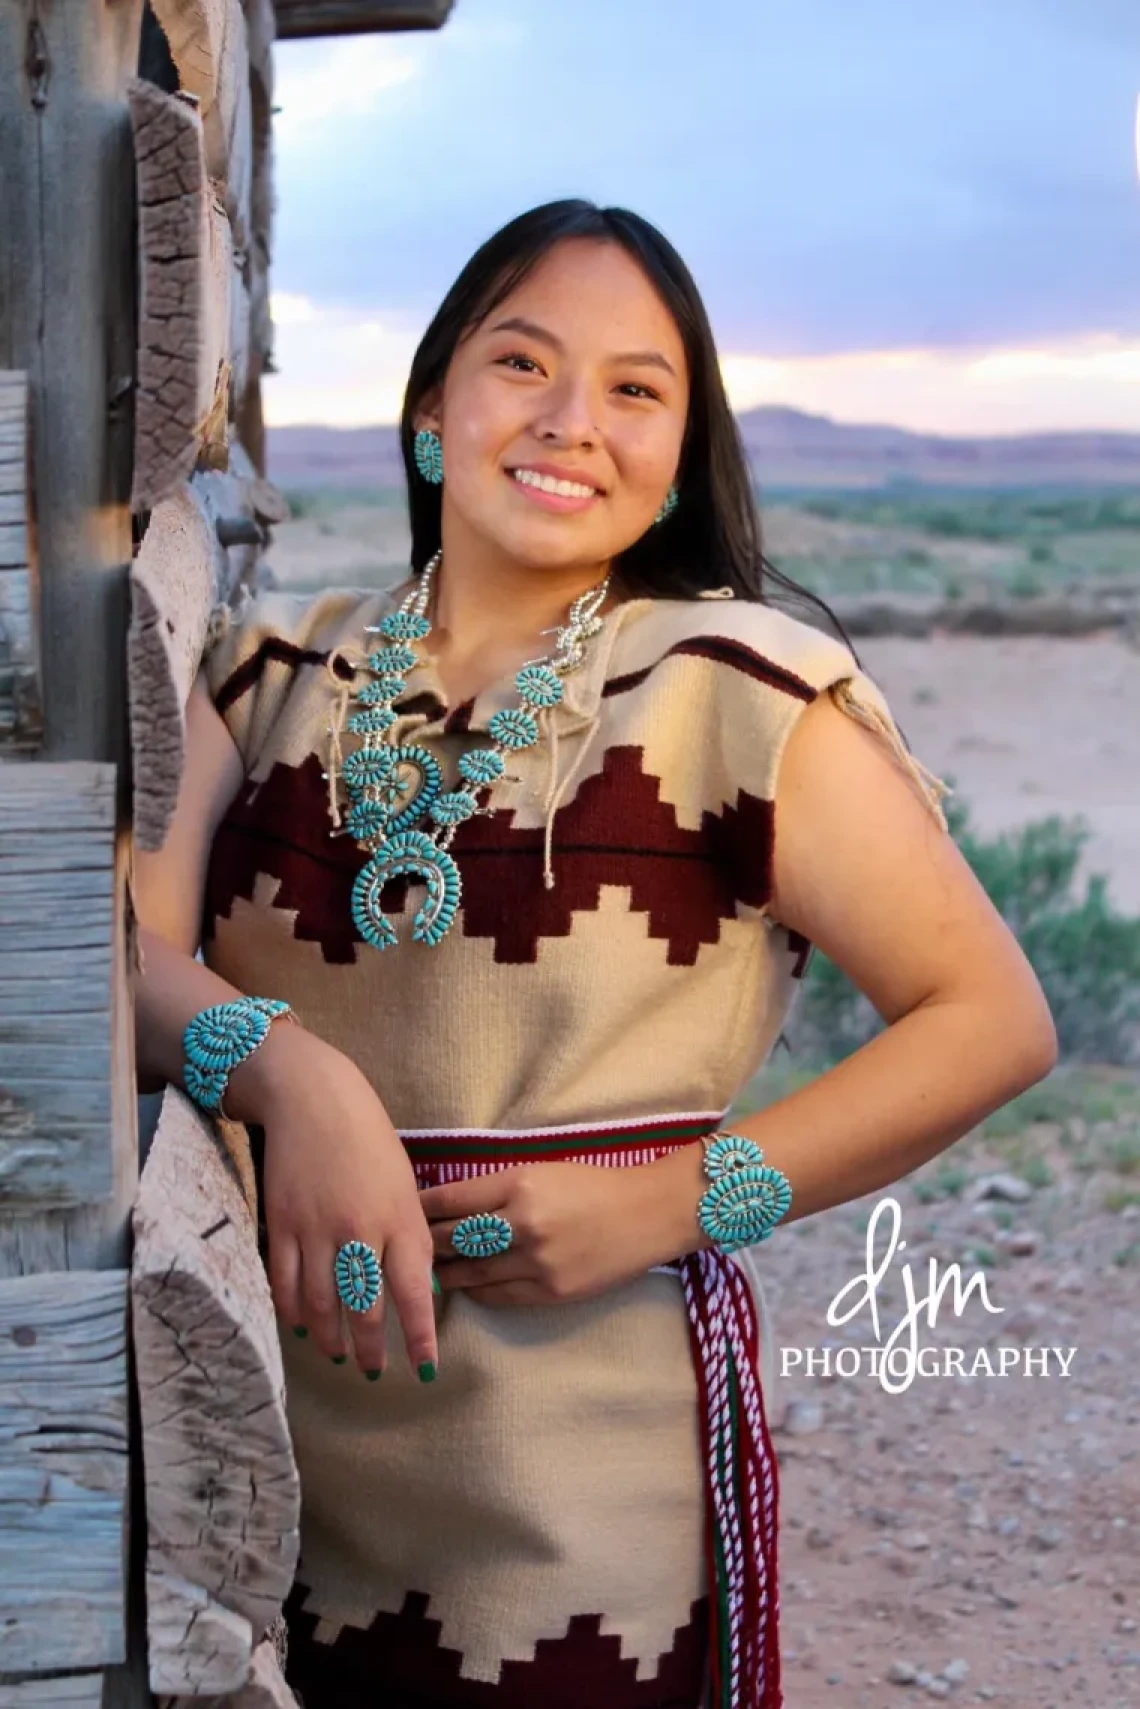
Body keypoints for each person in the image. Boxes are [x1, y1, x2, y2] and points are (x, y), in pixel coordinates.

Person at [132, 199, 1058, 1709]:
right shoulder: (269, 673)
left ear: (681, 459)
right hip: (243, 1441)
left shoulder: (741, 694)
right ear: (434, 410)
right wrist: (296, 1079)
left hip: (570, 1494)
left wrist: (688, 1199)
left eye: (637, 389)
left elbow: (990, 1019)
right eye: (522, 364)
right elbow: (118, 952)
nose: (573, 422)